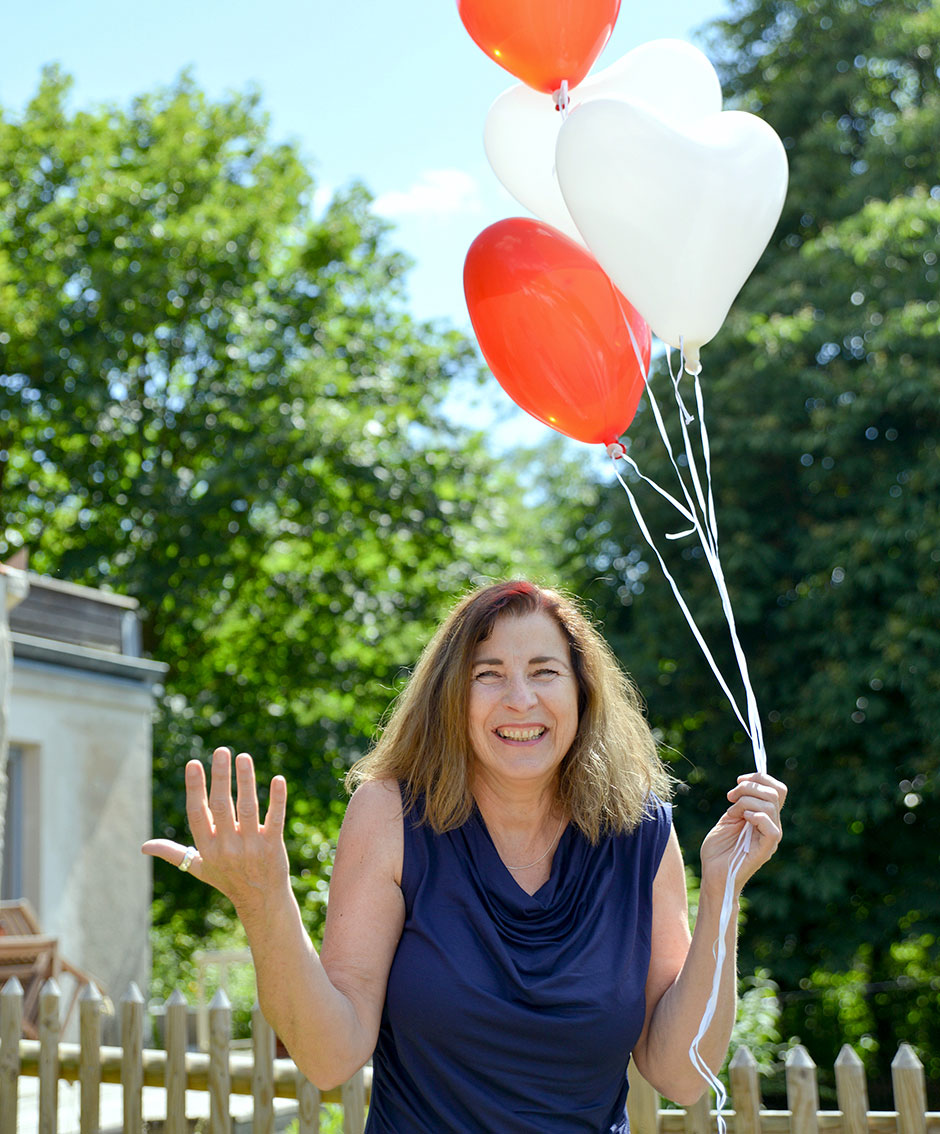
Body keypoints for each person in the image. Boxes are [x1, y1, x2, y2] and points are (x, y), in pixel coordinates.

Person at [143, 580, 785, 1132]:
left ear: (582, 692)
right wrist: (263, 903)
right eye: (488, 675)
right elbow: (329, 1057)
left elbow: (682, 1073)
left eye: (544, 671)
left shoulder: (638, 829)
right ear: (452, 696)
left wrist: (725, 890)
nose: (520, 699)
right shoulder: (391, 813)